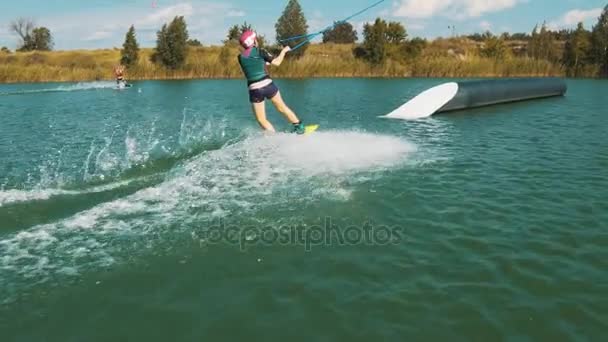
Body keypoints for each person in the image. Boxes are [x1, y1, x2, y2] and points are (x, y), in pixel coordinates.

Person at [237, 30, 305, 134]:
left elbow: (253, 65)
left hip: (255, 90)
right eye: (255, 39)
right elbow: (277, 63)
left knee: (261, 119)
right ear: (253, 41)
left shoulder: (240, 58)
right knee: (282, 108)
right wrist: (284, 51)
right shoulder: (261, 51)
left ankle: (274, 138)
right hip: (268, 86)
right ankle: (299, 127)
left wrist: (264, 61)